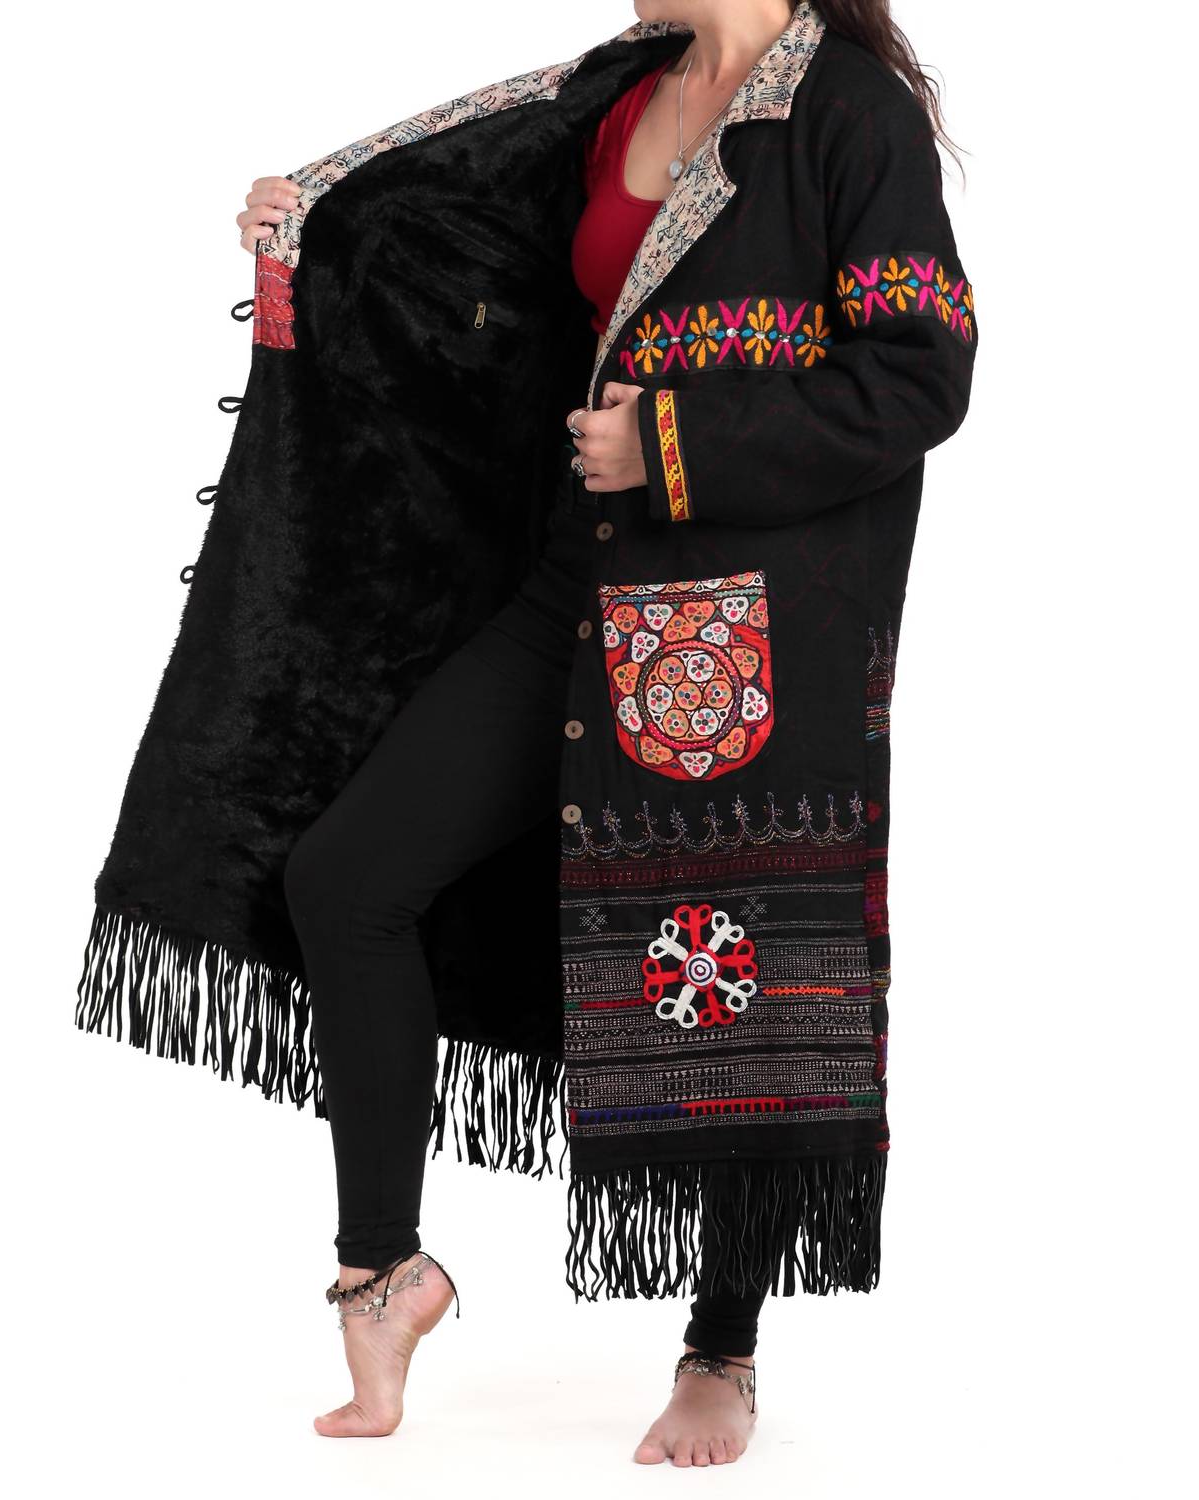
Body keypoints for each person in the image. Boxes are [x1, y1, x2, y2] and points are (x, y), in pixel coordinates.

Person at [78, 0, 975, 1471]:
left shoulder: (848, 114)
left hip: (737, 630)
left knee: (725, 974)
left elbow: (922, 371)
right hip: (575, 577)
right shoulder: (622, 90)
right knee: (349, 879)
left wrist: (673, 446)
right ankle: (384, 1275)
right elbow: (476, 249)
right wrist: (324, 231)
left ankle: (721, 1351)